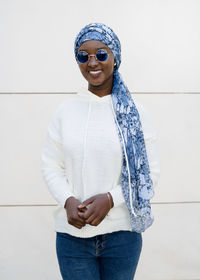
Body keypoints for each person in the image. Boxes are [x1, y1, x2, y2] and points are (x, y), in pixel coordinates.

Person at [41, 22, 160, 280]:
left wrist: (111, 199)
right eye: (83, 56)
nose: (92, 62)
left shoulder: (136, 114)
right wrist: (68, 200)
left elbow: (149, 174)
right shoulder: (65, 112)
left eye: (101, 54)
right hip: (73, 239)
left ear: (115, 58)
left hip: (122, 236)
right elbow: (51, 166)